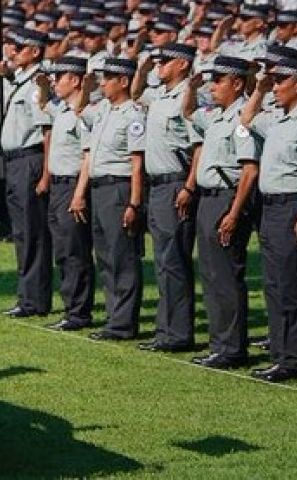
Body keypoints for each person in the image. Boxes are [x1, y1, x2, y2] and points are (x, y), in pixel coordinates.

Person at [239, 56, 297, 381]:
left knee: (290, 285)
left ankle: (294, 359)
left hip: (291, 205)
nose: (275, 87)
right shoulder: (278, 118)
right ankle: (281, 353)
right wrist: (259, 88)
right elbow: (246, 119)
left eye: (280, 81)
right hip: (270, 207)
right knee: (273, 284)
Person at [183, 55, 260, 369]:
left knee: (226, 276)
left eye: (219, 80)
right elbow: (188, 112)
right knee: (212, 275)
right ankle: (219, 345)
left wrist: (233, 211)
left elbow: (249, 171)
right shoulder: (216, 115)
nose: (213, 86)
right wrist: (192, 86)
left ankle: (231, 349)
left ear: (238, 83)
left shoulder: (242, 119)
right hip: (208, 198)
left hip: (227, 198)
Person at [133, 42, 200, 352]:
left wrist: (189, 186)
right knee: (163, 261)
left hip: (175, 183)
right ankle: (165, 331)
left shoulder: (188, 96)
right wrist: (144, 68)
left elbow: (198, 146)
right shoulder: (161, 94)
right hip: (157, 184)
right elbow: (135, 93)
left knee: (174, 261)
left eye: (165, 61)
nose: (160, 66)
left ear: (183, 64)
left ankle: (179, 334)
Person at [82, 57, 145, 341]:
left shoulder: (133, 114)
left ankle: (124, 323)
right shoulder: (104, 109)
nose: (102, 83)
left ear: (123, 81)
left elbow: (136, 163)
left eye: (109, 78)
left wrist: (134, 203)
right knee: (105, 256)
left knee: (122, 257)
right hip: (99, 189)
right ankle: (113, 316)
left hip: (118, 189)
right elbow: (78, 110)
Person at [0, 28, 53, 318]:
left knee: (32, 233)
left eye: (19, 47)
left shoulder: (37, 85)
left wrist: (46, 174)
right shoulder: (21, 81)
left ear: (35, 52)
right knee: (21, 232)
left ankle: (34, 300)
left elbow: (47, 132)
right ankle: (26, 296)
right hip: (14, 161)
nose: (12, 52)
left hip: (30, 160)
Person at [37, 56, 94, 331]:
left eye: (59, 77)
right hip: (58, 185)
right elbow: (41, 102)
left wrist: (79, 194)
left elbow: (87, 157)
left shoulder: (83, 113)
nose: (54, 81)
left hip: (73, 185)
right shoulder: (61, 109)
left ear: (75, 80)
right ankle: (71, 308)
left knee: (75, 251)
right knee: (62, 250)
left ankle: (79, 313)